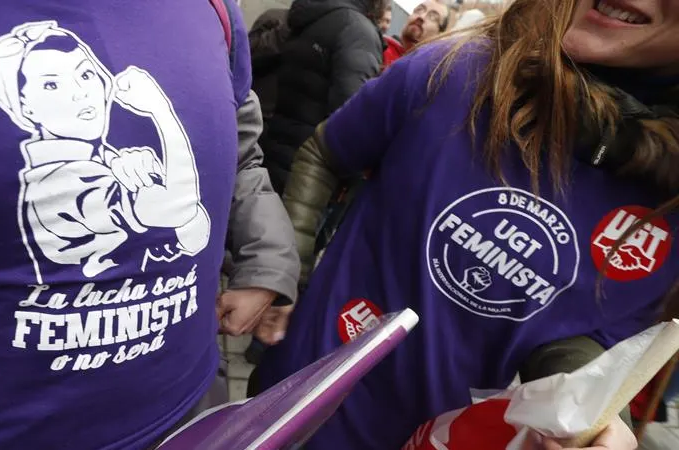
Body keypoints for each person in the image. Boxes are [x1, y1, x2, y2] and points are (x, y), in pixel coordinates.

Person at [254, 0, 679, 448]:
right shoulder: (455, 68)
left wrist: (593, 423)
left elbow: (585, 343)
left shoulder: (668, 207)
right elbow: (327, 151)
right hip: (290, 404)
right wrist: (286, 274)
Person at [0, 2, 298, 449]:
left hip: (192, 414)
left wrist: (268, 260)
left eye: (84, 75)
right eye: (52, 84)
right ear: (23, 106)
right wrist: (160, 113)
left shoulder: (213, 10)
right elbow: (172, 212)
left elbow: (234, 169)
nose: (81, 94)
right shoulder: (58, 180)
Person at [260, 0, 388, 196]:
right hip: (307, 176)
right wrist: (352, 180)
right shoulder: (358, 32)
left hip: (273, 150)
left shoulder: (316, 16)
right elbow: (351, 121)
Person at [248, 8, 290, 122]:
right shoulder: (274, 18)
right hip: (257, 113)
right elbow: (247, 56)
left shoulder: (318, 34)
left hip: (285, 120)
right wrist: (281, 33)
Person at [384, 0, 451, 67]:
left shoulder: (424, 73)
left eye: (432, 17)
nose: (422, 16)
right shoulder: (381, 45)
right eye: (419, 10)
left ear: (439, 35)